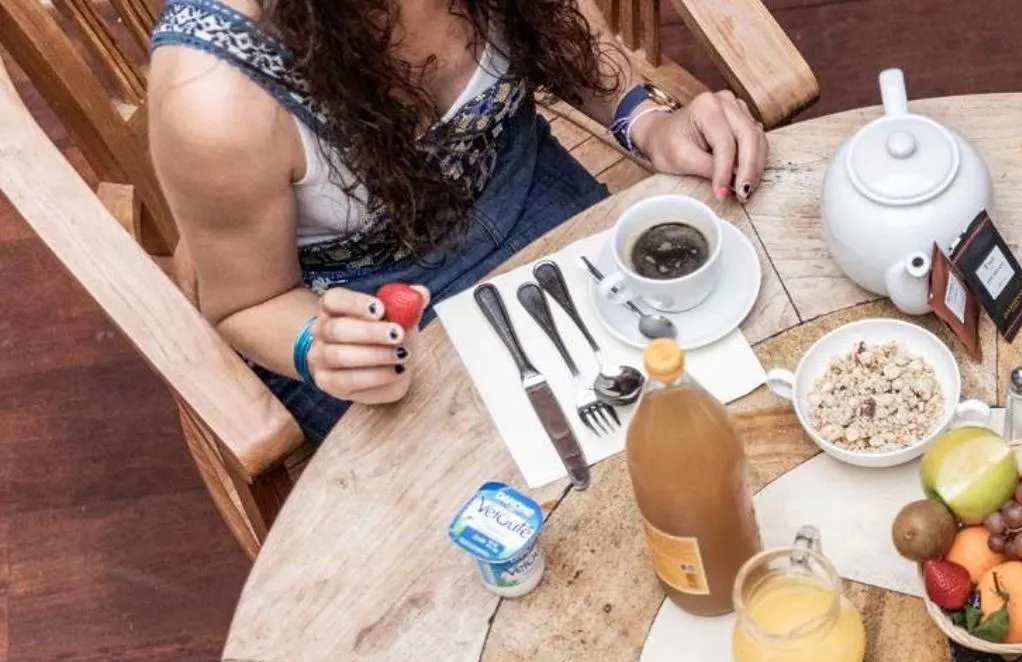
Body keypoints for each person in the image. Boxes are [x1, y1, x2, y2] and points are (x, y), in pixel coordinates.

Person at [147, 0, 770, 440]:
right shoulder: (215, 96)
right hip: (364, 304)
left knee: (704, 390)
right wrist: (320, 345)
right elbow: (245, 304)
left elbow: (570, 32)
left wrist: (647, 118)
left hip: (530, 188)